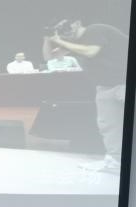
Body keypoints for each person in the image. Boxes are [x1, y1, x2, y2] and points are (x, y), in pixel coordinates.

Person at [46, 20, 128, 171]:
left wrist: (60, 41)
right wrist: (47, 38)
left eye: (66, 26)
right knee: (109, 126)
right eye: (60, 29)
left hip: (124, 81)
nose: (65, 31)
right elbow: (49, 57)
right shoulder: (74, 43)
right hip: (104, 86)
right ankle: (116, 161)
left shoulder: (95, 29)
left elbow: (91, 51)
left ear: (77, 23)